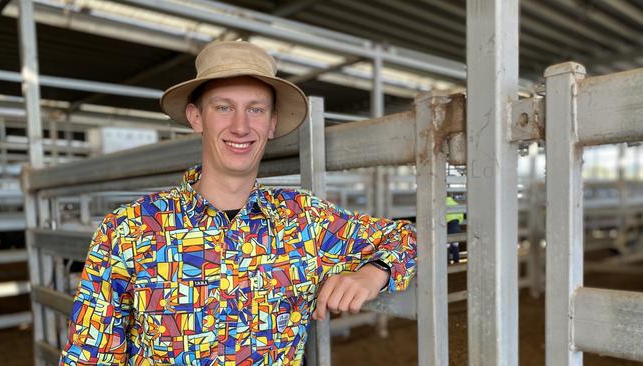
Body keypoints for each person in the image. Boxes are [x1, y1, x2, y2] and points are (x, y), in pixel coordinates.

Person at [60, 41, 416, 365]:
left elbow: (411, 237)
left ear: (272, 124)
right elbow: (90, 355)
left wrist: (375, 272)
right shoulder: (132, 228)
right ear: (196, 117)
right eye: (224, 107)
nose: (241, 126)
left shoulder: (304, 219)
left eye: (256, 110)